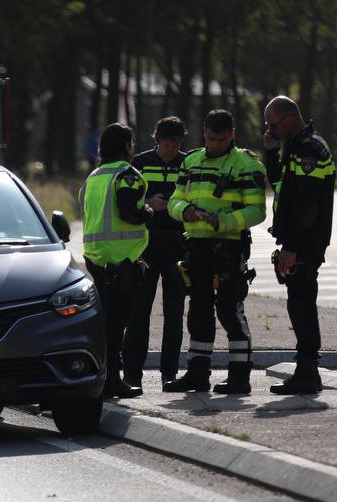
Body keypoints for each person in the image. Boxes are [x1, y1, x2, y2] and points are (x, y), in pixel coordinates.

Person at [164, 109, 267, 395]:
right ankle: (198, 374)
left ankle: (239, 377)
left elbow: (257, 210)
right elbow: (175, 200)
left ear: (232, 135)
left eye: (220, 140)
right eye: (210, 139)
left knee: (230, 310)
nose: (215, 145)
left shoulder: (246, 164)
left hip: (229, 247)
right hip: (196, 246)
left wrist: (222, 221)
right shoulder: (192, 161)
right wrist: (186, 211)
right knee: (197, 312)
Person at [262, 95, 335, 395]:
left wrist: (292, 247)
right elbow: (280, 184)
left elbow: (308, 206)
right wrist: (270, 152)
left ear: (288, 120)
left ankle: (308, 373)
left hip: (305, 242)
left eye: (272, 125)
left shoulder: (311, 151)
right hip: (297, 241)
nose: (269, 130)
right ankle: (306, 370)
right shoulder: (294, 148)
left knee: (302, 304)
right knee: (298, 302)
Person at [79, 122, 152, 398]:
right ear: (126, 146)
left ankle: (104, 377)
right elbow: (128, 212)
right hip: (122, 261)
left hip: (96, 260)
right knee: (117, 325)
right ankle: (112, 380)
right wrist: (148, 212)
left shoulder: (94, 176)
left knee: (104, 322)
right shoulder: (127, 175)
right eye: (131, 143)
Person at [121, 116, 190, 387]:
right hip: (146, 244)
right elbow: (125, 200)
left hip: (178, 243)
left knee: (174, 311)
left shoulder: (188, 163)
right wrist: (148, 203)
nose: (171, 150)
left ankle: (169, 373)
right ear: (156, 139)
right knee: (139, 310)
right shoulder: (139, 162)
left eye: (176, 145)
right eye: (166, 145)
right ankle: (132, 373)